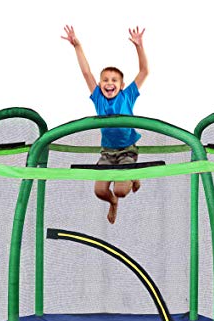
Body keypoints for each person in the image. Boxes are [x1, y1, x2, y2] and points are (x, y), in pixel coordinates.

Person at [61, 25, 149, 224]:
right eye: (105, 80)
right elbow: (86, 73)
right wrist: (77, 46)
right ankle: (113, 202)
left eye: (114, 80)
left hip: (127, 150)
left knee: (121, 190)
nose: (109, 83)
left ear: (122, 85)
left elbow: (144, 71)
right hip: (107, 152)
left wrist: (139, 46)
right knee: (100, 191)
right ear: (100, 85)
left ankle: (132, 176)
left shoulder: (128, 96)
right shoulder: (98, 98)